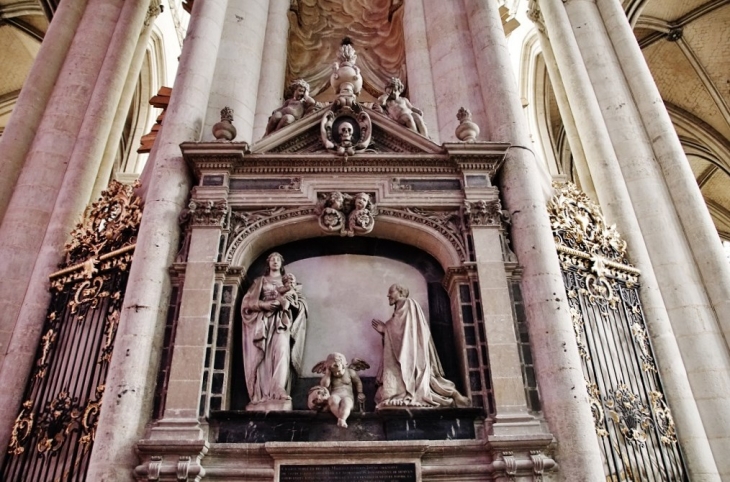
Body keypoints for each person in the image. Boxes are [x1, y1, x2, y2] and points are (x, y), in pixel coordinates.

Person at [371, 284, 470, 408]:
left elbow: (404, 330)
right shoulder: (400, 308)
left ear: (400, 292)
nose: (388, 295)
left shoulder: (408, 303)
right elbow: (400, 329)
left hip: (413, 351)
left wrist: (386, 329)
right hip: (408, 350)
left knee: (416, 377)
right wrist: (386, 331)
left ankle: (448, 395)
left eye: (391, 292)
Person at [241, 253, 307, 410]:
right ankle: (262, 394)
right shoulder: (259, 281)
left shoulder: (291, 283)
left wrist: (289, 302)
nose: (275, 262)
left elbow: (300, 303)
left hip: (282, 323)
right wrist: (263, 306)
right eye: (272, 259)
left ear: (282, 263)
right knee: (263, 357)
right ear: (268, 263)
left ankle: (278, 389)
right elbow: (247, 303)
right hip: (262, 323)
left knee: (282, 351)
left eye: (278, 259)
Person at [311, 353, 369, 428]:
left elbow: (358, 382)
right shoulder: (330, 375)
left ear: (344, 365)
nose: (337, 373)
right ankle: (342, 419)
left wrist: (360, 392)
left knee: (346, 402)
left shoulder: (350, 372)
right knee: (333, 399)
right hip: (335, 394)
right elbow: (324, 386)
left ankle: (341, 419)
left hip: (348, 396)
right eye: (334, 371)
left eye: (338, 370)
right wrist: (328, 373)